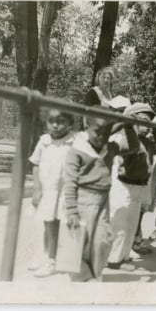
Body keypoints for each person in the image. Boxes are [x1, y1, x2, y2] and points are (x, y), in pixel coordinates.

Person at [107, 103, 156, 270]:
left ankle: (123, 256)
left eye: (149, 124)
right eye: (143, 122)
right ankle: (113, 259)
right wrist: (127, 122)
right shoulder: (123, 136)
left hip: (139, 185)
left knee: (131, 224)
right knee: (119, 223)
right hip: (123, 184)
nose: (146, 128)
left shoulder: (148, 142)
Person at [62, 114, 116, 282]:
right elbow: (70, 181)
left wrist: (127, 125)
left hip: (102, 200)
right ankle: (79, 280)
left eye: (107, 132)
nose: (102, 137)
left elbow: (132, 147)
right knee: (80, 242)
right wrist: (71, 210)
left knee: (102, 239)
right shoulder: (77, 150)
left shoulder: (110, 147)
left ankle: (95, 274)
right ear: (86, 128)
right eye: (97, 132)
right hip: (82, 199)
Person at [28, 109, 76, 277]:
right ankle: (45, 257)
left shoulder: (75, 141)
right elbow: (35, 164)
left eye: (61, 121)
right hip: (48, 190)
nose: (55, 125)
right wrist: (37, 189)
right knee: (46, 224)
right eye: (51, 121)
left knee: (61, 225)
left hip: (65, 191)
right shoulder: (44, 141)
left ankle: (57, 260)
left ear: (71, 123)